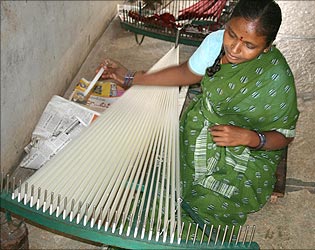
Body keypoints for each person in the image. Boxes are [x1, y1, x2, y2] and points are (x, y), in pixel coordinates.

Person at [98, 0, 299, 239]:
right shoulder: (216, 44)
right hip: (207, 126)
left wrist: (250, 138)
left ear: (266, 47)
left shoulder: (276, 76)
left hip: (252, 148)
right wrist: (132, 78)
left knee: (213, 201)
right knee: (168, 183)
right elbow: (185, 73)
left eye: (249, 45)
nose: (234, 49)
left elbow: (285, 136)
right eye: (231, 35)